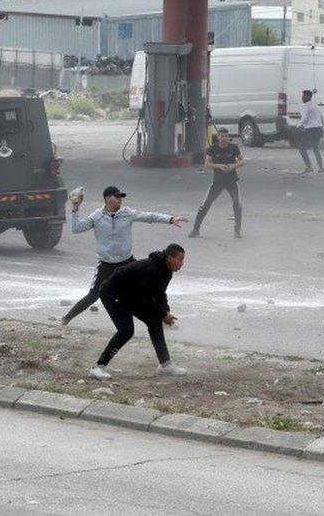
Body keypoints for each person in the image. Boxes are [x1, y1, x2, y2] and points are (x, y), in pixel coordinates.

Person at [62, 186, 187, 326]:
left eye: (121, 196)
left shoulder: (127, 213)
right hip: (106, 264)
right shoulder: (96, 217)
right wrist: (75, 208)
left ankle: (164, 317)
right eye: (117, 196)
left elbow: (149, 216)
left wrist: (170, 219)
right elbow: (76, 228)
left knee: (150, 286)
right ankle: (66, 319)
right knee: (93, 295)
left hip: (127, 262)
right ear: (108, 198)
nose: (120, 199)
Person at [89, 244, 188, 380]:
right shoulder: (153, 269)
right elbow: (147, 298)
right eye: (180, 259)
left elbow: (160, 293)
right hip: (113, 293)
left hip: (131, 294)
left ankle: (165, 365)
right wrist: (163, 315)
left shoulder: (166, 270)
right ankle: (98, 367)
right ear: (170, 258)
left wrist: (165, 312)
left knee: (154, 321)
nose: (182, 263)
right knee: (126, 330)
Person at [188, 127, 246, 239]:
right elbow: (206, 164)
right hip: (218, 182)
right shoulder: (212, 149)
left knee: (237, 205)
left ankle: (237, 230)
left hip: (232, 181)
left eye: (226, 136)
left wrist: (234, 166)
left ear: (228, 137)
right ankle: (195, 229)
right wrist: (218, 166)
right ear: (218, 137)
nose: (224, 138)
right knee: (205, 204)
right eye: (221, 136)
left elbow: (242, 161)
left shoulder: (233, 148)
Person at [297, 89, 324, 174]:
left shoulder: (306, 105)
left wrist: (299, 125)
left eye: (304, 96)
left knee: (301, 148)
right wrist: (322, 126)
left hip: (311, 129)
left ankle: (309, 167)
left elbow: (304, 118)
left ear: (308, 97)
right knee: (316, 148)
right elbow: (321, 117)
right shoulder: (314, 105)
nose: (302, 97)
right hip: (318, 128)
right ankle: (321, 168)